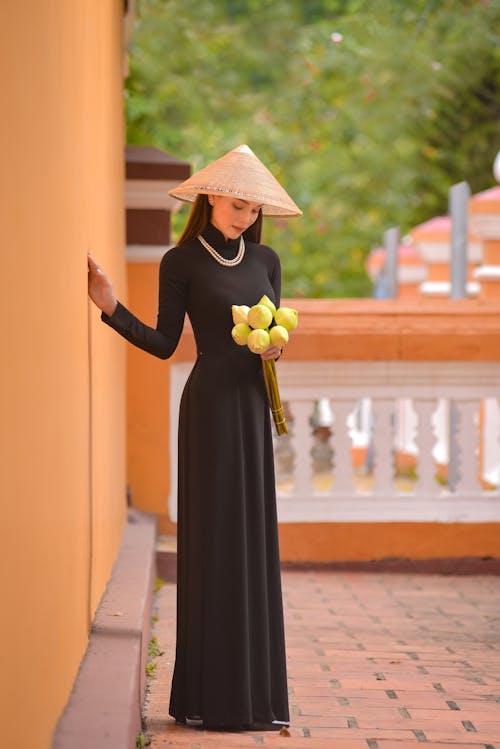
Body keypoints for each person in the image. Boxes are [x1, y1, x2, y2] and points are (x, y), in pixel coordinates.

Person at [87, 144, 302, 731]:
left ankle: (258, 696)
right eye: (238, 204)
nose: (247, 217)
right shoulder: (178, 263)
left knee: (253, 538)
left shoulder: (267, 260)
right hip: (208, 407)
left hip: (252, 404)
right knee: (215, 538)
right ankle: (211, 697)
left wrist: (275, 346)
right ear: (210, 196)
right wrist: (111, 309)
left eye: (255, 209)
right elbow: (163, 344)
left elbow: (272, 332)